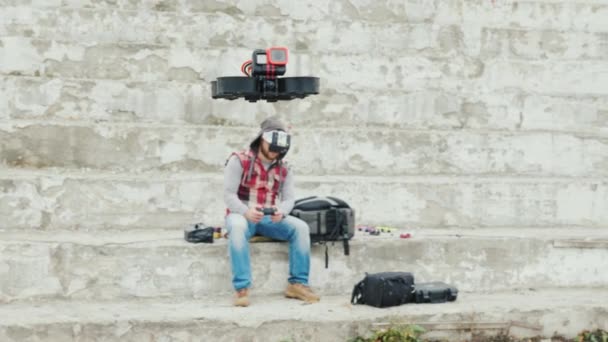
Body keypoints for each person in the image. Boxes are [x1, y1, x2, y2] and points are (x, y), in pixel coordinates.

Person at [223, 116, 320, 307]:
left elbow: (289, 198)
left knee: (300, 227)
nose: (275, 153)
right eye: (272, 148)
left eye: (279, 150)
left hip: (269, 218)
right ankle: (241, 288)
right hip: (242, 214)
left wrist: (281, 211)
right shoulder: (238, 160)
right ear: (262, 140)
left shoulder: (285, 168)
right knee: (236, 226)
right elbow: (229, 195)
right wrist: (245, 211)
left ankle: (297, 284)